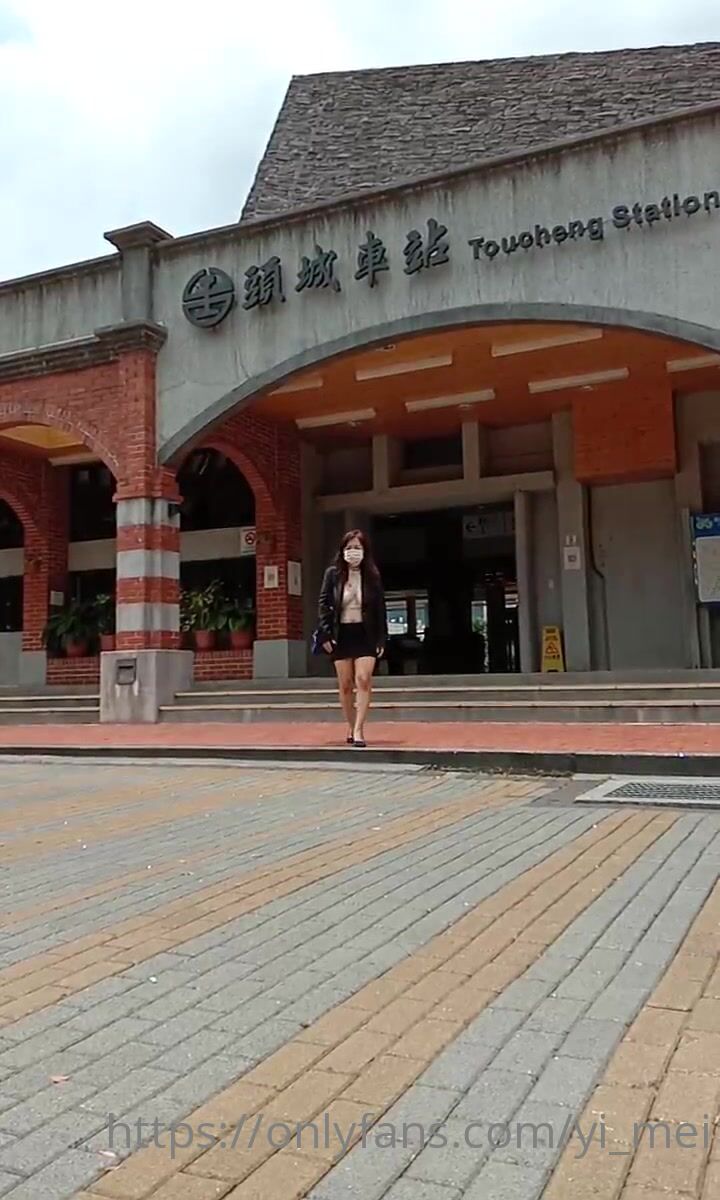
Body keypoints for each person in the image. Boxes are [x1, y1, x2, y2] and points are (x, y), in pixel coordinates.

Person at [316, 529, 388, 747]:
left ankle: (359, 730)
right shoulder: (332, 574)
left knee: (363, 679)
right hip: (341, 634)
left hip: (366, 633)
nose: (353, 552)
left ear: (365, 551)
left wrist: (382, 639)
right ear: (342, 550)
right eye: (349, 548)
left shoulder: (372, 576)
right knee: (345, 684)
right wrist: (326, 634)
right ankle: (350, 723)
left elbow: (380, 608)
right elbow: (324, 604)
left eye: (357, 547)